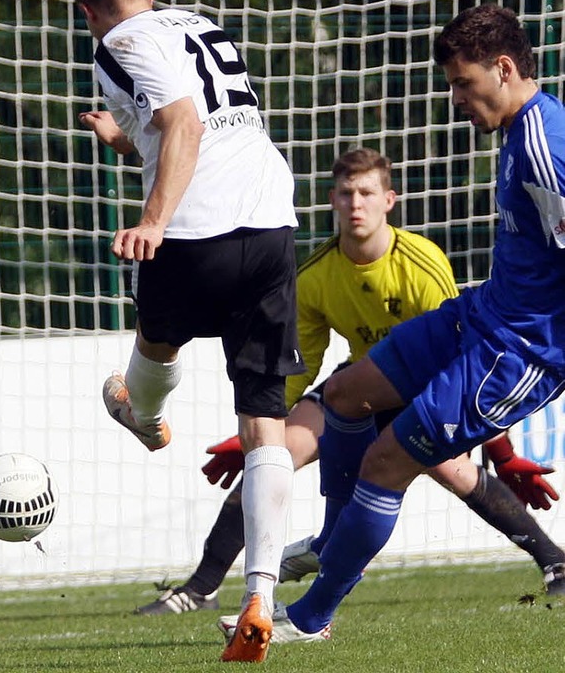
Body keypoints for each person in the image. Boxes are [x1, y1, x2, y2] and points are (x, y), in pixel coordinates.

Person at [135, 148, 564, 627]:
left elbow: (464, 357)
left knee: (452, 470)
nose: (355, 203)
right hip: (359, 387)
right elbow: (300, 366)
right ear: (331, 201)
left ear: (389, 201)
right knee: (273, 456)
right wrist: (260, 434)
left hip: (425, 387)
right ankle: (201, 588)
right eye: (345, 193)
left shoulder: (422, 263)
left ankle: (553, 559)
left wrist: (499, 453)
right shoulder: (316, 274)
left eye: (366, 193)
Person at [270, 3, 565, 642]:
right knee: (347, 393)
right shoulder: (521, 133)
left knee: (386, 460)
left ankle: (310, 617)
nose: (456, 98)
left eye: (463, 83)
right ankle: (333, 538)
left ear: (505, 69)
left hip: (519, 351)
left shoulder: (546, 144)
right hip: (482, 315)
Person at [64, 0, 305, 663]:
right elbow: (194, 121)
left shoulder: (116, 42)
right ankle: (259, 595)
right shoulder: (196, 22)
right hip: (270, 222)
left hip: (196, 229)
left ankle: (141, 412)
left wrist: (153, 222)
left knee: (156, 346)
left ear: (86, 11)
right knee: (266, 420)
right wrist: (125, 137)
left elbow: (184, 123)